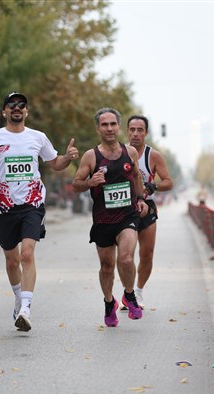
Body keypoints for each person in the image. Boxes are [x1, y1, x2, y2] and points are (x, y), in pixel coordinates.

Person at [0, 91, 79, 332]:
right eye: (12, 104)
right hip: (4, 207)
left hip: (32, 205)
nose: (17, 108)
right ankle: (18, 299)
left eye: (21, 105)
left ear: (26, 111)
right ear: (4, 111)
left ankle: (26, 309)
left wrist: (67, 157)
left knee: (27, 254)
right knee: (11, 261)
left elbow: (55, 163)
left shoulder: (38, 137)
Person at [72, 107, 148, 328]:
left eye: (113, 124)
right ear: (98, 129)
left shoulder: (130, 152)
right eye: (104, 125)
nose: (109, 128)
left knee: (126, 259)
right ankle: (109, 302)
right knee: (107, 267)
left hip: (127, 215)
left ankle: (129, 294)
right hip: (103, 219)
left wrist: (140, 199)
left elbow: (136, 176)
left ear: (118, 127)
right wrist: (90, 182)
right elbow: (76, 184)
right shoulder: (91, 156)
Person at [124, 115, 173, 310]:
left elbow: (168, 181)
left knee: (147, 254)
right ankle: (128, 292)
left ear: (146, 133)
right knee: (126, 255)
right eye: (132, 129)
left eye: (140, 130)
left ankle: (138, 291)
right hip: (125, 208)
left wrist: (154, 186)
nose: (135, 134)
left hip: (147, 208)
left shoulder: (153, 156)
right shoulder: (118, 152)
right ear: (127, 131)